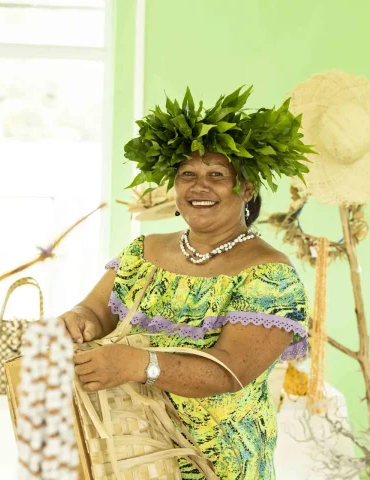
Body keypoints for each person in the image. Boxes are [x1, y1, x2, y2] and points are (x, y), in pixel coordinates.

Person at [61, 86, 313, 479]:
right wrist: (80, 319)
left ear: (246, 189)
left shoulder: (270, 275)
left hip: (219, 464)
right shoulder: (143, 252)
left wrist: (138, 364)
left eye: (217, 175)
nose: (200, 186)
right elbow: (95, 310)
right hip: (130, 453)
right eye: (187, 175)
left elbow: (230, 372)